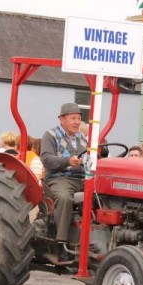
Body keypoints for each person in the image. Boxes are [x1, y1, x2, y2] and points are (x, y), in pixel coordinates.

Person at [41, 103, 87, 246]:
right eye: (73, 118)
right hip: (60, 178)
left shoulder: (82, 138)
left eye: (79, 118)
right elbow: (47, 159)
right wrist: (68, 161)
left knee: (102, 196)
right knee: (64, 197)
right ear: (62, 119)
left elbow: (89, 159)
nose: (77, 122)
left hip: (81, 178)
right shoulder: (51, 135)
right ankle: (61, 242)